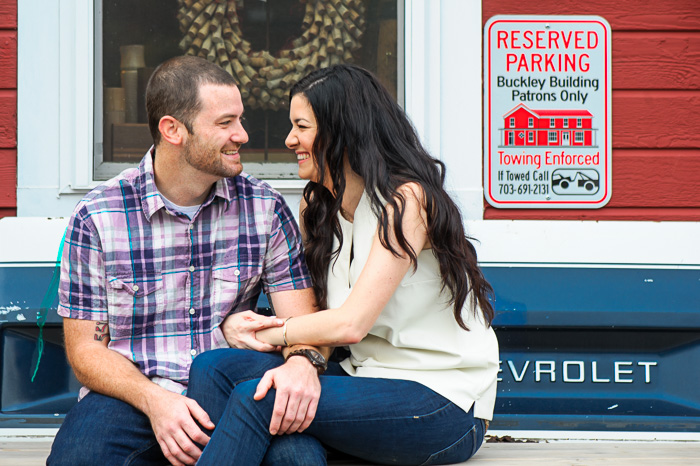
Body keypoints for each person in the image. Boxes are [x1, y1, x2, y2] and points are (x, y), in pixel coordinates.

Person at [187, 64, 500, 465]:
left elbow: (350, 324)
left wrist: (268, 331)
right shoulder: (316, 206)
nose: (290, 140)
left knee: (261, 398)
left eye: (302, 126)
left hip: (440, 402)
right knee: (214, 368)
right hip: (359, 380)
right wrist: (296, 355)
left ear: (342, 131)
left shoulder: (406, 201)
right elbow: (322, 320)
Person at [47, 55, 332, 466]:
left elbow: (301, 325)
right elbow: (86, 352)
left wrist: (302, 364)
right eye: (225, 123)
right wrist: (155, 401)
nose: (242, 134)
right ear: (173, 130)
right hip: (134, 392)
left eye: (240, 119)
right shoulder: (99, 217)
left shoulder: (264, 208)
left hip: (239, 387)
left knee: (299, 462)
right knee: (78, 459)